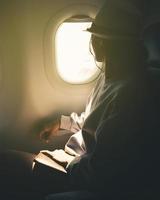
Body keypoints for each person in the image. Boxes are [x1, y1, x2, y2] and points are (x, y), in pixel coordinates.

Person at [0, 0, 160, 199]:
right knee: (6, 161)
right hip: (75, 162)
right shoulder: (109, 77)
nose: (92, 43)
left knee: (6, 169)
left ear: (103, 43)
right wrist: (62, 123)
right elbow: (93, 121)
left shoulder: (130, 94)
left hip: (81, 172)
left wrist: (65, 164)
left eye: (94, 37)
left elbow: (103, 167)